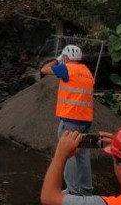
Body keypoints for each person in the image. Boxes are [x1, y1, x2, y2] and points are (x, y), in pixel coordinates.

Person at [41, 44, 95, 195]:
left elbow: (44, 70)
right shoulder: (86, 71)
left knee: (68, 153)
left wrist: (57, 60)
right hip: (86, 119)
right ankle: (86, 189)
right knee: (83, 154)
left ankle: (74, 191)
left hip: (71, 119)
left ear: (66, 58)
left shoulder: (67, 68)